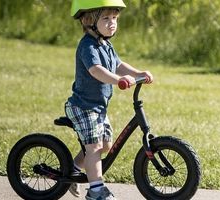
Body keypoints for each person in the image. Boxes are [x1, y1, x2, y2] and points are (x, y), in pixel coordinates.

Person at [66, 0, 153, 199]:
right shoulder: (87, 46)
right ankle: (96, 190)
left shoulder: (106, 44)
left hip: (98, 108)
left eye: (114, 18)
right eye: (106, 18)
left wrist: (138, 73)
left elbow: (118, 65)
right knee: (94, 147)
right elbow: (97, 70)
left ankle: (73, 168)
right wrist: (118, 80)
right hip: (83, 107)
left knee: (105, 145)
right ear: (89, 21)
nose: (112, 22)